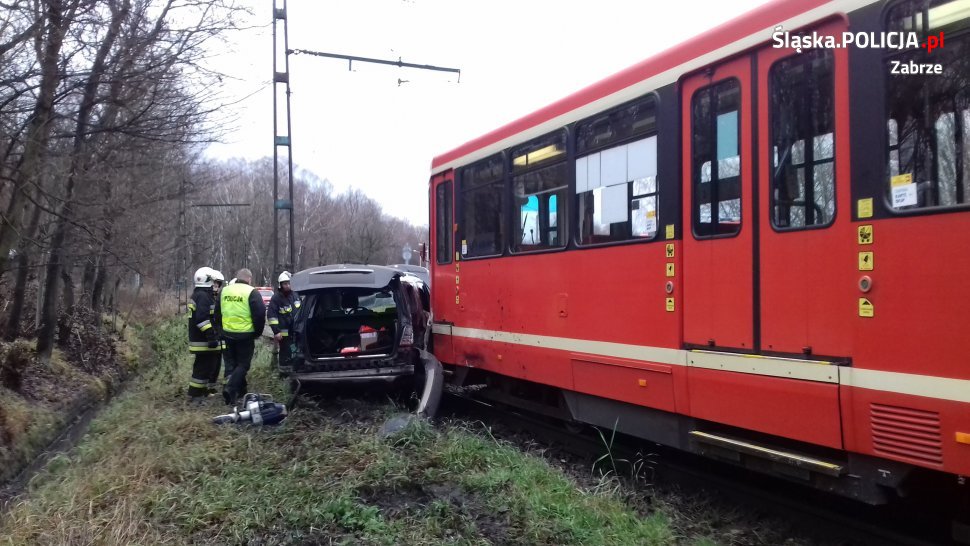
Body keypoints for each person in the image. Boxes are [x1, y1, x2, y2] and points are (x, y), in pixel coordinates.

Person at [214, 268, 266, 404]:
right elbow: (260, 314)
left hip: (227, 334)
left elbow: (217, 313)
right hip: (245, 335)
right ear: (249, 279)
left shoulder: (224, 291)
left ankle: (238, 391)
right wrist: (257, 332)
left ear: (237, 277)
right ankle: (231, 388)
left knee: (231, 364)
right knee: (243, 364)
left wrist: (220, 329)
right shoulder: (251, 292)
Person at [187, 267, 221, 403]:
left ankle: (200, 393)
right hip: (203, 341)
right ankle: (195, 396)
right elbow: (202, 319)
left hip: (199, 339)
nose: (214, 284)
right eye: (212, 280)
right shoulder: (203, 296)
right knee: (202, 368)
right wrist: (211, 336)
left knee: (204, 367)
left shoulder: (198, 294)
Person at [267, 271, 300, 373]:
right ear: (280, 285)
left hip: (295, 332)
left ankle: (294, 372)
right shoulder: (276, 298)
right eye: (285, 284)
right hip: (283, 335)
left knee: (294, 352)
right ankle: (283, 375)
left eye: (289, 283)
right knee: (285, 354)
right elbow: (272, 316)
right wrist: (276, 332)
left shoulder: (295, 295)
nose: (287, 286)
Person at [208, 269, 226, 394]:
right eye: (214, 284)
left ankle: (212, 385)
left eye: (217, 284)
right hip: (209, 334)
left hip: (219, 333)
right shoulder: (205, 298)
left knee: (217, 361)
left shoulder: (220, 298)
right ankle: (207, 385)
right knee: (209, 361)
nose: (216, 287)